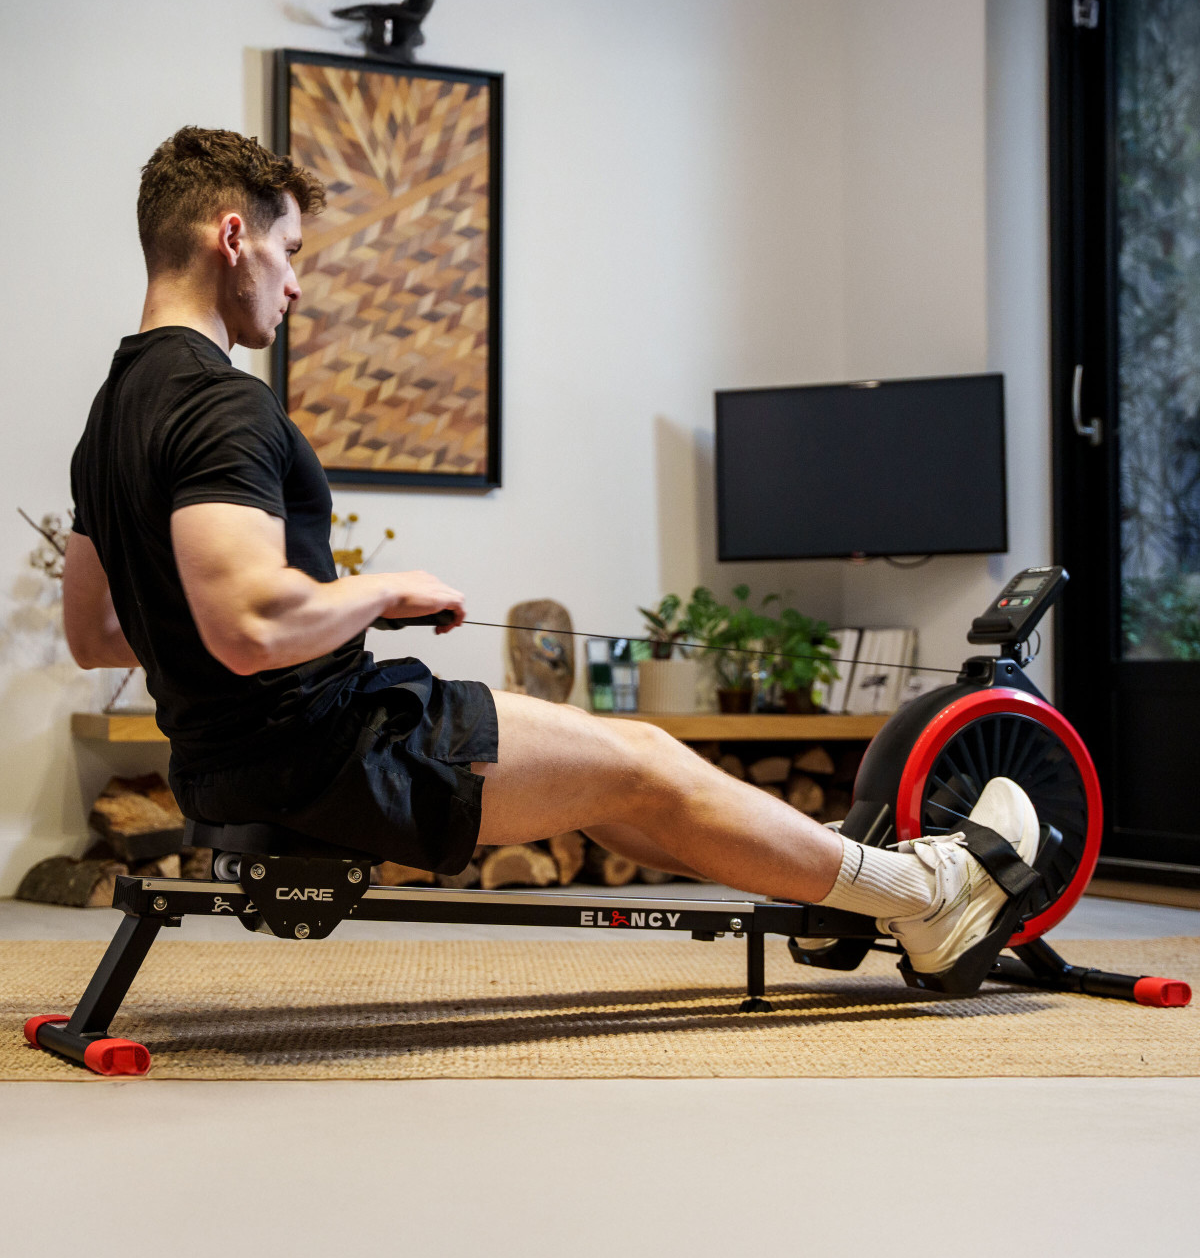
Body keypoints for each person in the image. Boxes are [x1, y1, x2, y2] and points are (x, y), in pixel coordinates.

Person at [62, 126, 1038, 988]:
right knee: (645, 756)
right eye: (290, 250)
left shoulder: (109, 420)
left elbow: (97, 634)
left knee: (610, 787)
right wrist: (383, 588)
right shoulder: (222, 402)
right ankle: (925, 892)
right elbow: (249, 624)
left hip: (225, 768)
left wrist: (279, 617)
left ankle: (854, 888)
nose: (296, 282)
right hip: (336, 756)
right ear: (233, 235)